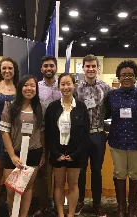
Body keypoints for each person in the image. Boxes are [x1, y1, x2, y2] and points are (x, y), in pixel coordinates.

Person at [0, 74, 45, 217]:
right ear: (20, 88)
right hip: (13, 153)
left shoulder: (40, 107)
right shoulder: (10, 106)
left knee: (27, 187)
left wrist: (43, 152)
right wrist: (12, 155)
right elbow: (4, 131)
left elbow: (42, 132)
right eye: (26, 85)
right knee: (11, 190)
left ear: (36, 89)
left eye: (32, 86)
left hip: (33, 152)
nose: (29, 88)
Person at [105, 60, 137, 217]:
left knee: (136, 174)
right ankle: (121, 207)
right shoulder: (112, 95)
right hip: (117, 141)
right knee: (119, 173)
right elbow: (106, 115)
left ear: (135, 77)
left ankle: (132, 208)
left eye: (130, 75)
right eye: (123, 75)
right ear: (118, 77)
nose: (127, 77)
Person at [45, 73, 90, 217]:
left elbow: (85, 134)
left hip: (75, 154)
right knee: (58, 185)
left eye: (68, 84)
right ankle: (60, 213)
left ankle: (70, 214)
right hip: (57, 152)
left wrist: (75, 154)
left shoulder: (81, 107)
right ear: (59, 87)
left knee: (73, 185)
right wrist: (56, 153)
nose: (66, 87)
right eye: (63, 84)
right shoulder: (52, 107)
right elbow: (49, 133)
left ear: (74, 85)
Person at [75, 54, 111, 216]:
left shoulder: (106, 88)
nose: (90, 69)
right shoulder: (76, 88)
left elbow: (109, 110)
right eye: (87, 66)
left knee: (97, 170)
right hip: (81, 136)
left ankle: (97, 203)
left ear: (98, 68)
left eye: (93, 66)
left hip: (98, 134)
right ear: (83, 68)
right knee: (81, 170)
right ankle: (80, 201)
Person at [0, 57, 19, 217]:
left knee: (13, 175)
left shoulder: (19, 87)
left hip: (14, 134)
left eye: (10, 68)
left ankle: (12, 208)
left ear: (14, 70)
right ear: (0, 70)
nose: (7, 71)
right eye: (4, 68)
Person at [34, 55, 62, 216]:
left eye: (51, 66)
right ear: (41, 69)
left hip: (60, 134)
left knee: (58, 169)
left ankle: (55, 201)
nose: (48, 68)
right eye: (45, 66)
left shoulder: (63, 85)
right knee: (41, 169)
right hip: (41, 133)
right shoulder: (36, 87)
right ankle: (42, 203)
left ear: (55, 68)